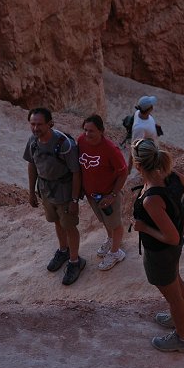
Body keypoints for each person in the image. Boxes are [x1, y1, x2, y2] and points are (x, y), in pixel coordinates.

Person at [131, 138, 184, 353]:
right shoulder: (171, 176)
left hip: (161, 251)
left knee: (173, 296)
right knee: (176, 280)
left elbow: (171, 237)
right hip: (173, 249)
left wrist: (143, 227)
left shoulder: (152, 199)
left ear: (138, 165)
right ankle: (182, 320)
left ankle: (182, 338)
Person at [24, 107, 86, 286]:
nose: (36, 128)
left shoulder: (64, 144)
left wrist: (74, 200)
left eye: (40, 124)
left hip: (64, 192)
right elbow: (32, 165)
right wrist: (31, 192)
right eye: (33, 124)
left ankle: (75, 261)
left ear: (50, 123)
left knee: (70, 225)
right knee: (57, 222)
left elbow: (76, 173)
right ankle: (63, 250)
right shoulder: (33, 141)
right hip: (45, 190)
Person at [77, 115, 129, 271]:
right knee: (104, 220)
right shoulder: (80, 141)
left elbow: (123, 172)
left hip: (108, 194)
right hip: (92, 194)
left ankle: (116, 252)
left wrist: (113, 195)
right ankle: (111, 239)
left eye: (91, 131)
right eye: (85, 130)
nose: (87, 134)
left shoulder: (111, 149)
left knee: (115, 223)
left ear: (101, 131)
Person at [126, 95, 159, 173]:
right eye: (152, 106)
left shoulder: (138, 112)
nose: (153, 107)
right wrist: (129, 169)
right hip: (150, 153)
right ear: (149, 109)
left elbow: (148, 119)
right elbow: (134, 147)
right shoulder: (140, 128)